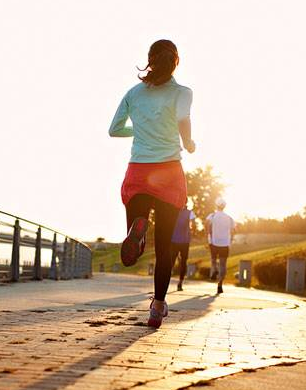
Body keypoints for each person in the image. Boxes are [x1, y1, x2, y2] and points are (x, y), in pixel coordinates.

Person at [109, 39, 195, 328]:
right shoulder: (183, 92)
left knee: (133, 253)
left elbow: (114, 129)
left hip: (138, 171)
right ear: (175, 62)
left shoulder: (134, 93)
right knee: (165, 249)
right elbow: (183, 118)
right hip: (169, 172)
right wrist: (189, 141)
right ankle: (157, 307)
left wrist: (141, 128)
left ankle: (138, 230)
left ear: (150, 60)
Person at [205, 198, 236, 294]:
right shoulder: (229, 218)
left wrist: (208, 238)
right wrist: (230, 240)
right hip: (225, 244)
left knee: (213, 261)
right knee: (223, 264)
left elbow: (207, 227)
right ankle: (220, 284)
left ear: (216, 206)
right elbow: (234, 230)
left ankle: (215, 270)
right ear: (224, 207)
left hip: (214, 242)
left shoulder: (212, 216)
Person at [170, 205, 196, 291]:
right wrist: (192, 231)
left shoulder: (173, 210)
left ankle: (166, 280)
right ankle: (180, 283)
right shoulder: (190, 213)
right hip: (184, 240)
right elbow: (194, 224)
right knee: (183, 261)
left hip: (174, 239)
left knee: (172, 261)